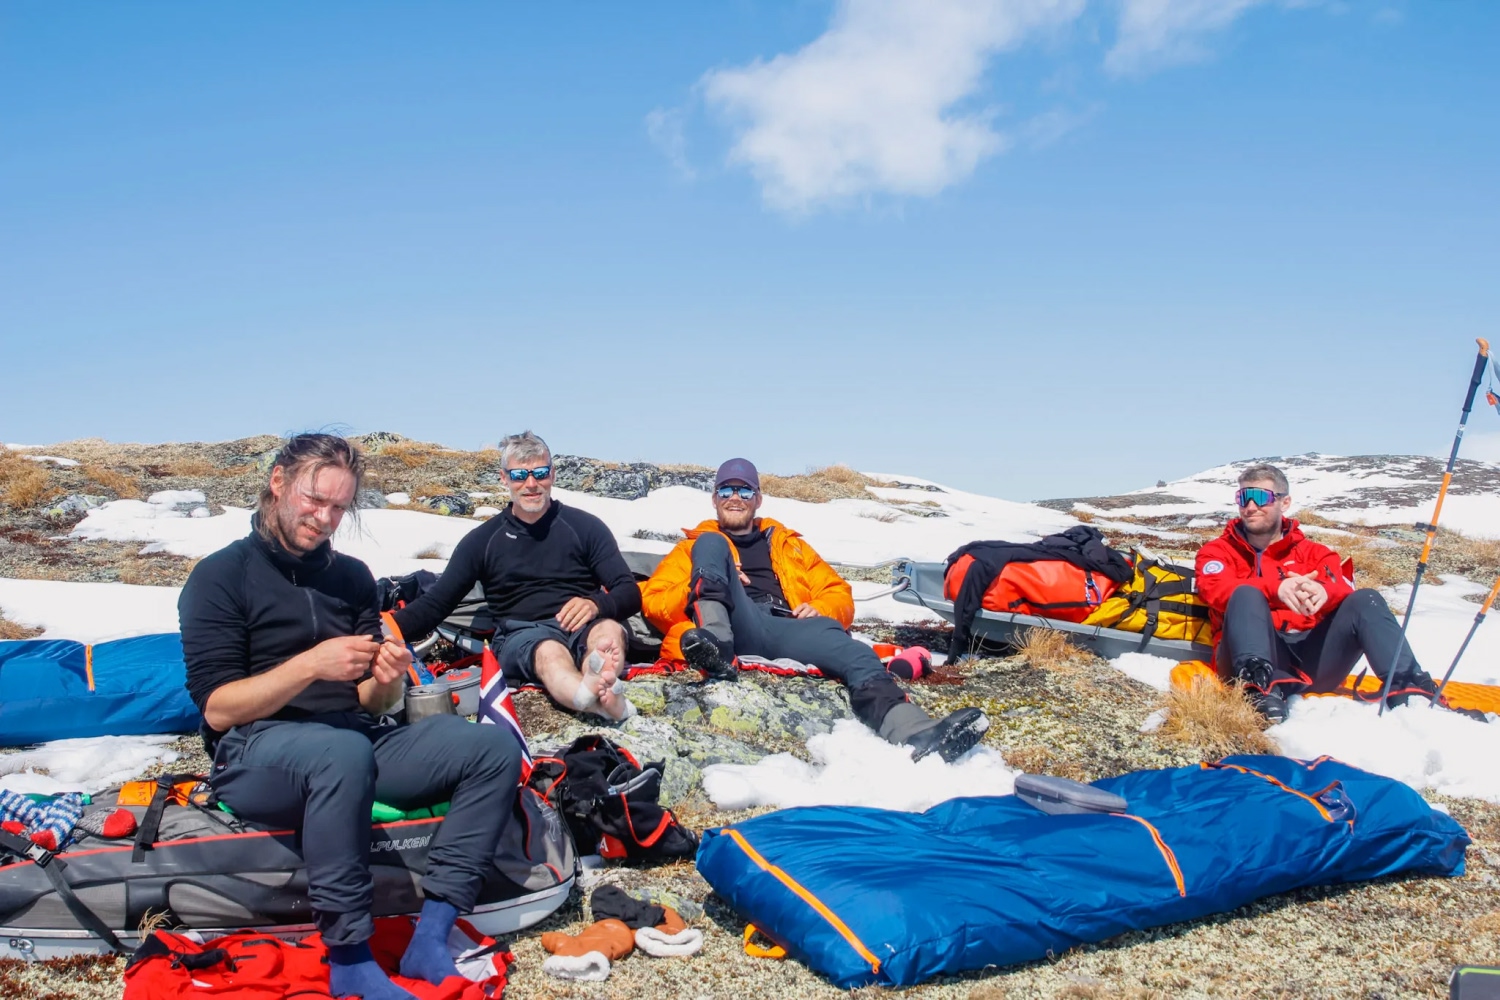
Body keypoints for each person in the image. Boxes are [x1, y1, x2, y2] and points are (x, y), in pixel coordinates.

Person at [178, 434, 525, 1000]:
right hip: (255, 749)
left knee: (488, 747)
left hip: (352, 737)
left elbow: (371, 705)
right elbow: (218, 708)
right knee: (341, 754)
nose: (325, 518)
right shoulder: (219, 577)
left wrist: (385, 678)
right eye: (315, 500)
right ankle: (350, 958)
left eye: (339, 507)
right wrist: (310, 665)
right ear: (279, 482)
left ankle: (431, 937)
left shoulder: (352, 577)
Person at [641, 458, 990, 762]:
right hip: (733, 623)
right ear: (715, 499)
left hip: (788, 626)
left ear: (758, 499)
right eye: (727, 490)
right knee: (712, 543)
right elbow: (655, 603)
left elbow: (838, 591)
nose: (735, 497)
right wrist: (712, 581)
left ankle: (913, 731)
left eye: (745, 490)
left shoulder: (789, 545)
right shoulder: (694, 547)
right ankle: (716, 643)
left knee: (855, 653)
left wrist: (820, 607)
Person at [1196, 462, 1481, 723]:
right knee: (1245, 593)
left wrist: (1325, 592)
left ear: (1284, 502)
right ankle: (1257, 690)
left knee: (1365, 599)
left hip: (1314, 659)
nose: (1249, 507)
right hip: (1248, 658)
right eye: (1242, 498)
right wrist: (1277, 589)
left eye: (1260, 498)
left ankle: (1409, 689)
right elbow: (1214, 590)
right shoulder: (1217, 552)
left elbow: (1343, 586)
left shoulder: (1315, 553)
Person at [390, 430, 640, 721]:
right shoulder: (482, 541)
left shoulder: (586, 528)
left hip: (583, 626)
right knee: (549, 651)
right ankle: (592, 697)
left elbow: (629, 592)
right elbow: (436, 604)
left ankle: (600, 681)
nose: (531, 484)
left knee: (607, 634)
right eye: (520, 475)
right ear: (504, 478)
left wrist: (597, 605)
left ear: (553, 475)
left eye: (540, 473)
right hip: (522, 635)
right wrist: (380, 630)